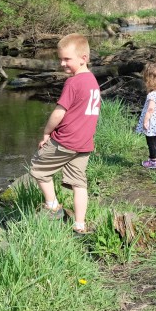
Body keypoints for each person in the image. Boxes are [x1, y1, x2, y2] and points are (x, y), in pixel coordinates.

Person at [29, 33, 101, 234]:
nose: (62, 63)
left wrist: (46, 133)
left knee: (38, 169)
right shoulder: (92, 81)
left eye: (67, 59)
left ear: (83, 58)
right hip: (84, 143)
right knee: (79, 184)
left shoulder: (73, 82)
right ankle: (79, 225)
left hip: (65, 141)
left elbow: (59, 112)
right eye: (60, 59)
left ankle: (52, 206)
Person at [135, 63, 156, 168]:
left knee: (151, 143)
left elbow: (150, 109)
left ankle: (153, 161)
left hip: (152, 122)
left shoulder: (153, 95)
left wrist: (145, 121)